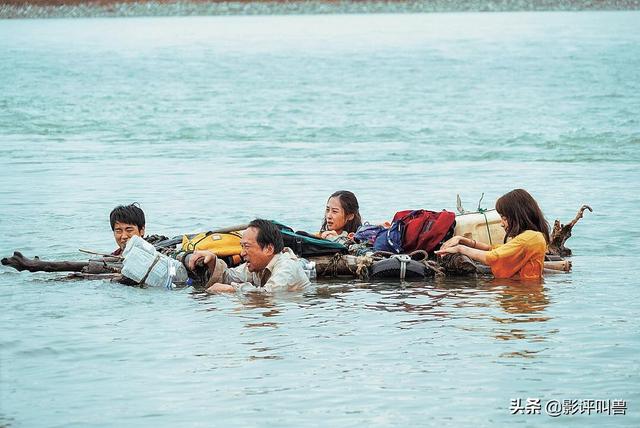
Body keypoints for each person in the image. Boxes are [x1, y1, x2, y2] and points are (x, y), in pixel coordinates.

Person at [435, 189, 549, 280]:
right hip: (522, 293)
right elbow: (494, 249)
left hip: (523, 295)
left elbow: (493, 257)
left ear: (518, 217)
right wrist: (463, 240)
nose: (502, 224)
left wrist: (460, 249)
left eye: (504, 218)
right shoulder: (532, 236)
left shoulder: (530, 237)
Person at [188, 218, 310, 293]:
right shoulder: (257, 266)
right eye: (242, 246)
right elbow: (228, 277)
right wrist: (212, 260)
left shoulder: (287, 267)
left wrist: (233, 290)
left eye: (246, 246)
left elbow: (269, 294)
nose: (242, 253)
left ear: (269, 249)